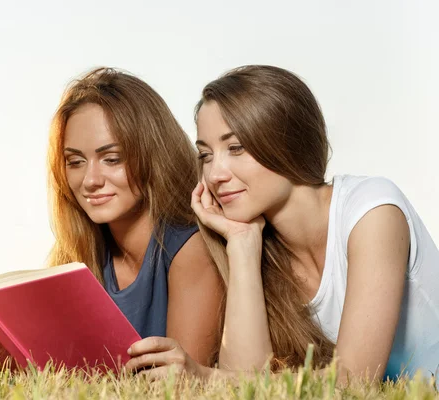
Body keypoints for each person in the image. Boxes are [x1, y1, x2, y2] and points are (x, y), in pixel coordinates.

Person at [126, 65, 439, 384]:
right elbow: (247, 383)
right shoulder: (263, 253)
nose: (215, 174)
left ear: (287, 142)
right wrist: (242, 243)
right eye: (206, 155)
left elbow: (355, 380)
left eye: (235, 148)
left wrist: (205, 377)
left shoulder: (373, 210)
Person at [0, 67, 224, 368]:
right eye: (75, 162)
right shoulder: (76, 252)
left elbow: (184, 384)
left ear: (153, 154)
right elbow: (52, 368)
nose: (90, 180)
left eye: (112, 159)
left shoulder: (191, 249)